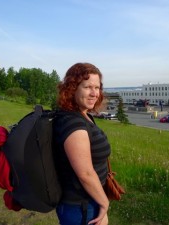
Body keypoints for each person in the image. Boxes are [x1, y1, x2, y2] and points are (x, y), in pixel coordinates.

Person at [53, 63, 110, 225]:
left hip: (90, 202)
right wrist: (104, 202)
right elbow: (85, 174)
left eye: (97, 88)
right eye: (87, 87)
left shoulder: (83, 116)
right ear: (72, 89)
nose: (94, 93)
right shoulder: (73, 124)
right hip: (81, 207)